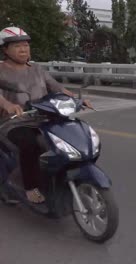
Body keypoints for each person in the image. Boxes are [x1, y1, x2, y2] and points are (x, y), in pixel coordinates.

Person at [0, 27, 90, 203]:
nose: (24, 49)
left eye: (26, 45)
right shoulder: (1, 70)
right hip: (14, 122)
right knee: (30, 144)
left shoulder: (37, 69)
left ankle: (56, 179)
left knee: (67, 140)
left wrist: (78, 99)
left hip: (44, 119)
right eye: (17, 46)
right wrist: (8, 105)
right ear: (5, 49)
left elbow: (57, 88)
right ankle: (30, 187)